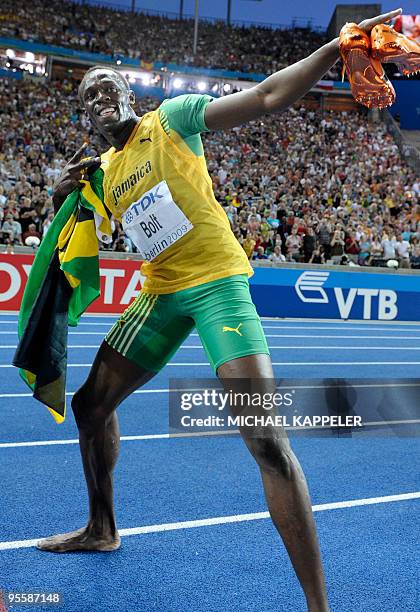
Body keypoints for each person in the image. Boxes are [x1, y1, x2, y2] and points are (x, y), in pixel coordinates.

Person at [36, 8, 401, 612]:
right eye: (87, 98)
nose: (99, 101)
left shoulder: (172, 119)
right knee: (89, 406)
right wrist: (66, 186)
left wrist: (335, 48)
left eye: (107, 88)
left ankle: (319, 606)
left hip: (217, 286)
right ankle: (102, 528)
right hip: (158, 294)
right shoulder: (102, 170)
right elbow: (71, 219)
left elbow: (265, 97)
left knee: (264, 438)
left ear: (131, 94)